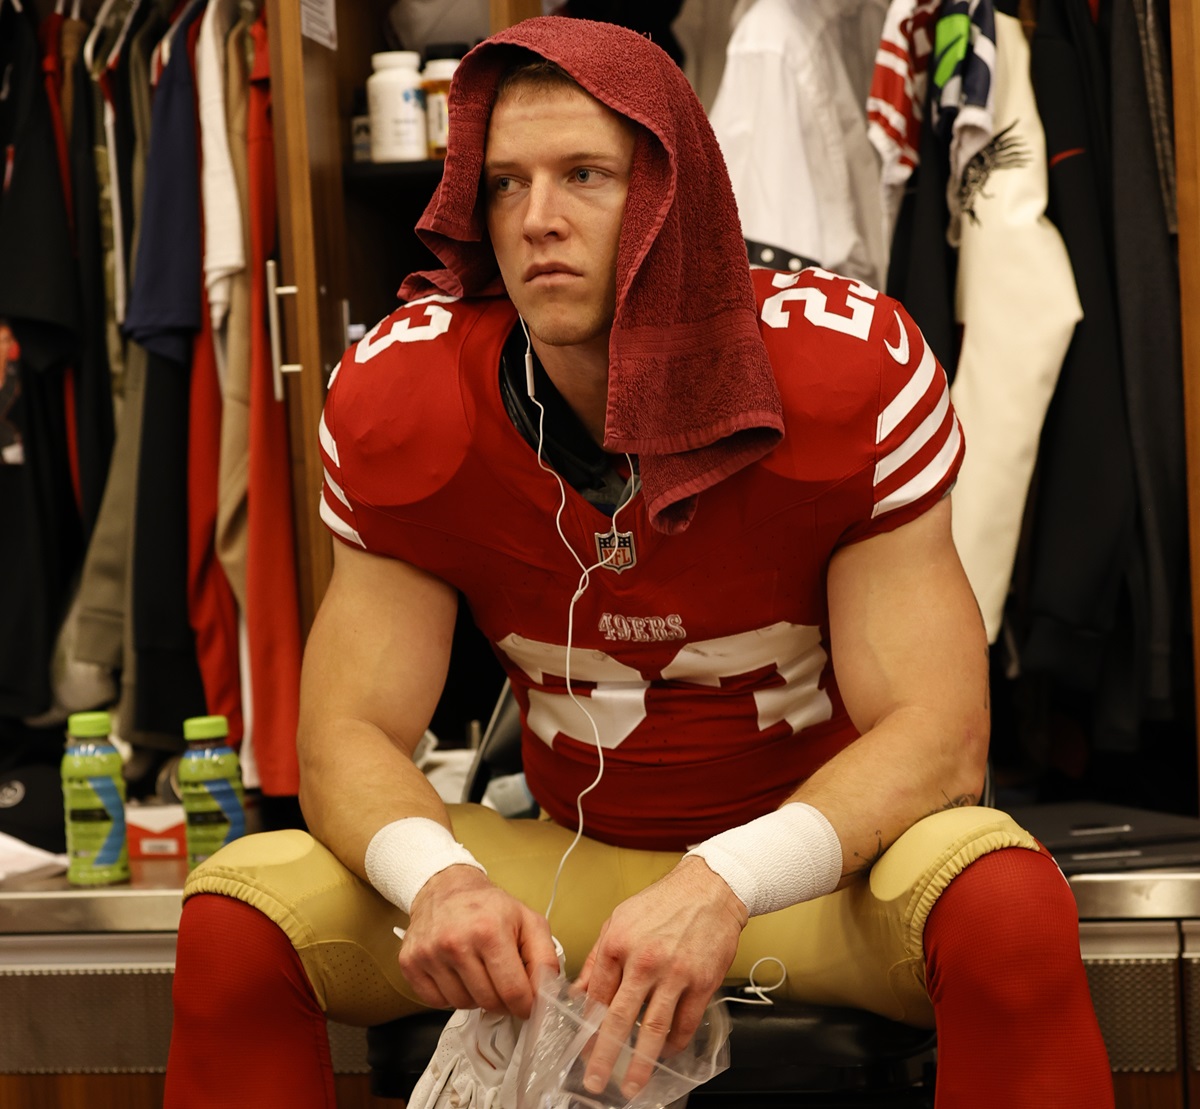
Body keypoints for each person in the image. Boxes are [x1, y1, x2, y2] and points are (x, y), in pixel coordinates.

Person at [164, 16, 1114, 1108]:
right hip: (568, 857)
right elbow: (341, 732)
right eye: (507, 183)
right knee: (238, 911)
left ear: (677, 195)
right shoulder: (406, 392)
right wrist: (444, 881)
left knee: (1006, 902)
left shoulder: (841, 369)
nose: (537, 221)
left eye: (585, 176)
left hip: (810, 877)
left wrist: (725, 878)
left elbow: (940, 739)